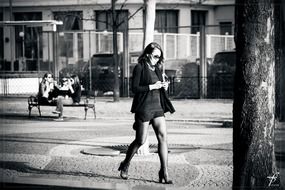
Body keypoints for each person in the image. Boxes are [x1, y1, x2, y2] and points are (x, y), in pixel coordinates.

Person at [118, 42, 175, 184]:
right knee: (141, 140)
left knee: (163, 138)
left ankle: (164, 172)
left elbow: (159, 87)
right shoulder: (139, 68)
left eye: (159, 57)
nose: (157, 59)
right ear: (148, 54)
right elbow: (135, 88)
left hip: (157, 107)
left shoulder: (157, 69)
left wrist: (164, 86)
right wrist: (151, 86)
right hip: (143, 107)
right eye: (155, 56)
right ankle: (125, 164)